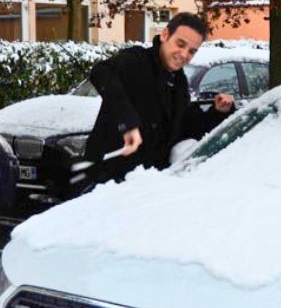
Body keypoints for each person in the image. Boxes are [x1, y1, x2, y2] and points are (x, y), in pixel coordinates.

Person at [79, 12, 234, 188]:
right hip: (105, 181)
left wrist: (217, 112)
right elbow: (101, 72)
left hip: (147, 185)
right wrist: (127, 121)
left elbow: (184, 127)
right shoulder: (137, 60)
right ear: (165, 35)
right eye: (180, 44)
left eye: (192, 51)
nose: (184, 54)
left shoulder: (179, 84)